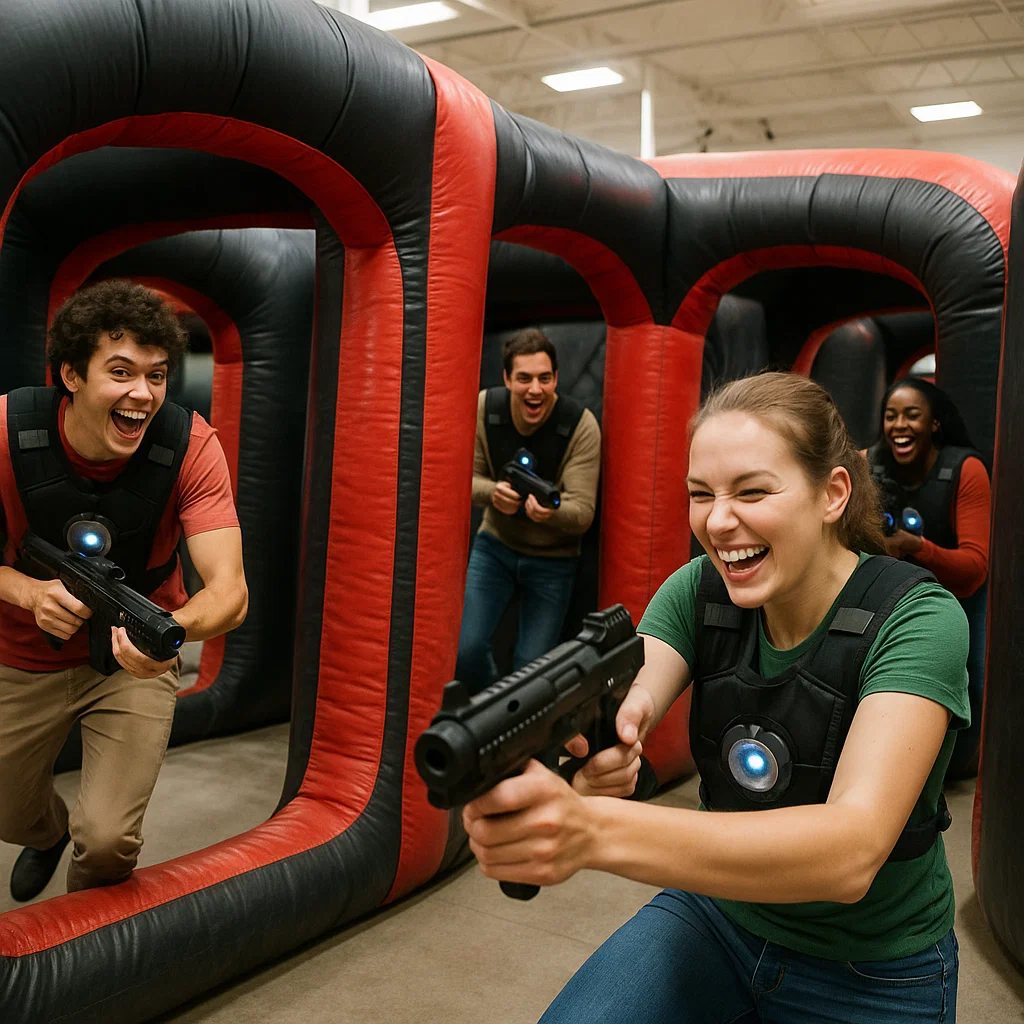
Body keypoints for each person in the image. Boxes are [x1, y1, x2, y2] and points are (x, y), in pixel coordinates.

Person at [464, 372, 968, 1024]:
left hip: (872, 963)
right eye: (700, 494)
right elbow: (634, 692)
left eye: (753, 491)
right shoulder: (698, 590)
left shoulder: (919, 619)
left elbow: (851, 852)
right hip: (717, 915)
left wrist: (591, 829)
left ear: (832, 493)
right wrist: (598, 744)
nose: (719, 520)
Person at [0, 280, 248, 901]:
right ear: (71, 375)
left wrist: (172, 631)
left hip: (133, 663)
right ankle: (44, 832)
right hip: (20, 658)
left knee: (108, 841)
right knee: (6, 812)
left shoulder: (190, 445)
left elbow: (230, 593)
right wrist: (30, 594)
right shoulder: (5, 433)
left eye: (158, 375)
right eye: (120, 371)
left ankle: (79, 971)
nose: (143, 394)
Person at [456, 328, 600, 694]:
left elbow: (582, 512)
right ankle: (488, 714)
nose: (535, 389)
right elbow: (460, 479)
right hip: (495, 547)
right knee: (465, 650)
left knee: (530, 671)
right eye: (524, 378)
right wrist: (494, 493)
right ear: (507, 379)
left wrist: (549, 513)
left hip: (554, 560)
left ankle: (511, 730)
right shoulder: (486, 408)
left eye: (544, 378)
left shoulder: (579, 424)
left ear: (555, 379)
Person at [866, 377, 990, 780]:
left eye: (911, 415)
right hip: (890, 592)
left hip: (958, 597)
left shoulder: (965, 469)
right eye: (891, 416)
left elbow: (974, 569)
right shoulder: (869, 463)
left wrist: (914, 547)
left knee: (965, 682)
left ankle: (957, 765)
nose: (899, 425)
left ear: (934, 424)